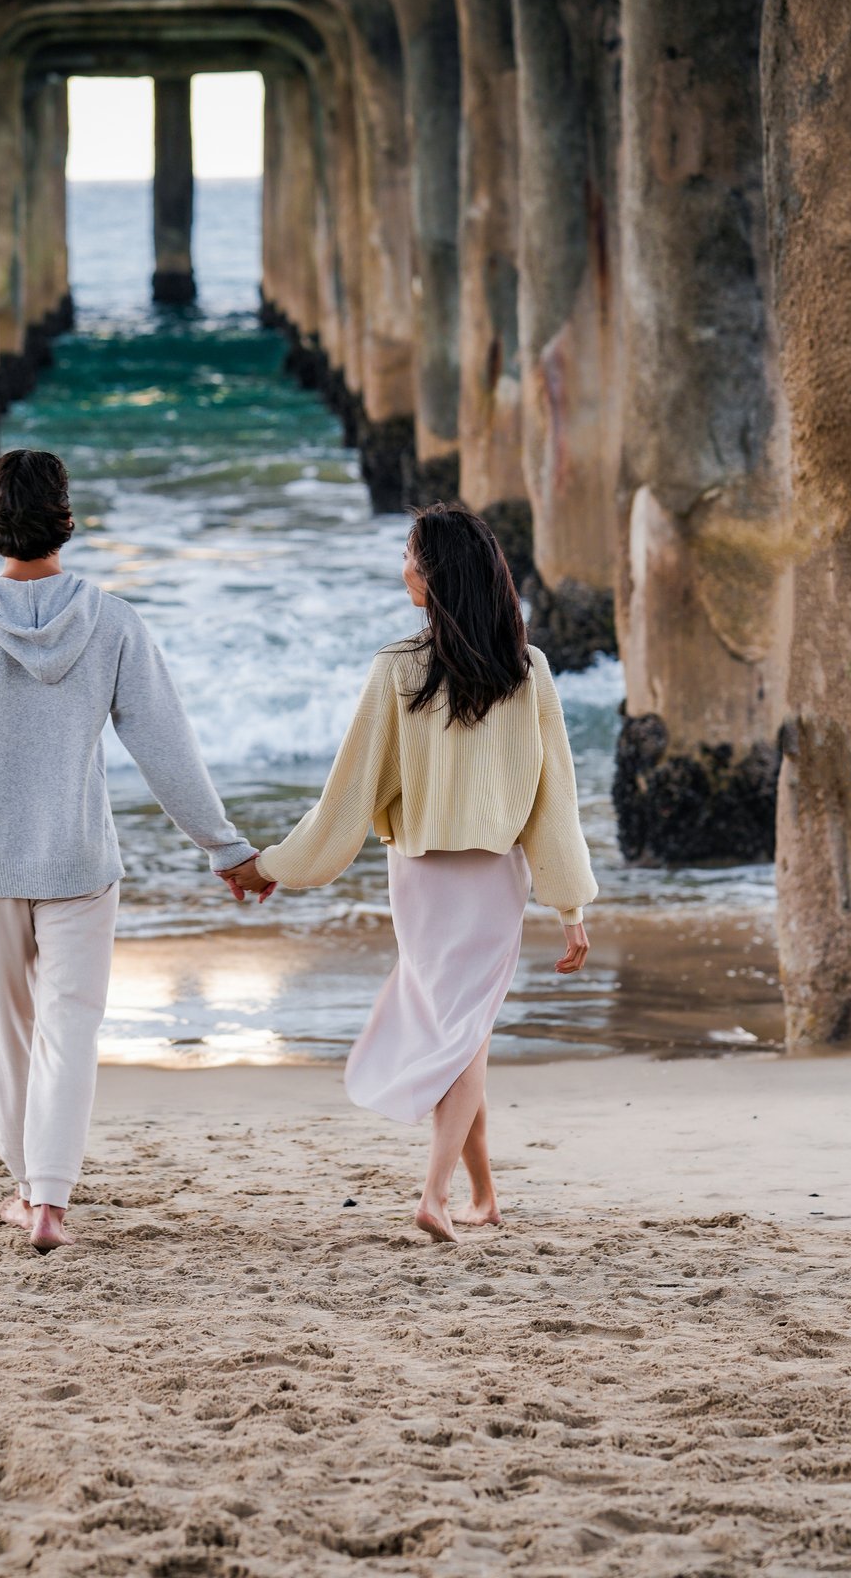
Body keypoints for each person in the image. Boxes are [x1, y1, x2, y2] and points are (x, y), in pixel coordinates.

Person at [0, 446, 262, 1252]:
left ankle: (26, 1192)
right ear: (65, 517)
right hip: (82, 867)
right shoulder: (113, 621)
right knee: (72, 1031)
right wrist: (223, 846)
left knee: (11, 1034)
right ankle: (50, 1203)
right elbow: (167, 748)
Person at [219, 501, 595, 1239]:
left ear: (435, 575)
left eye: (410, 558)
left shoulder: (397, 668)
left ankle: (484, 1195)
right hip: (491, 881)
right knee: (465, 1032)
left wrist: (274, 867)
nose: (403, 570)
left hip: (419, 880)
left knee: (461, 1031)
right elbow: (558, 801)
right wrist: (568, 905)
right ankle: (434, 1194)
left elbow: (348, 794)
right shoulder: (528, 669)